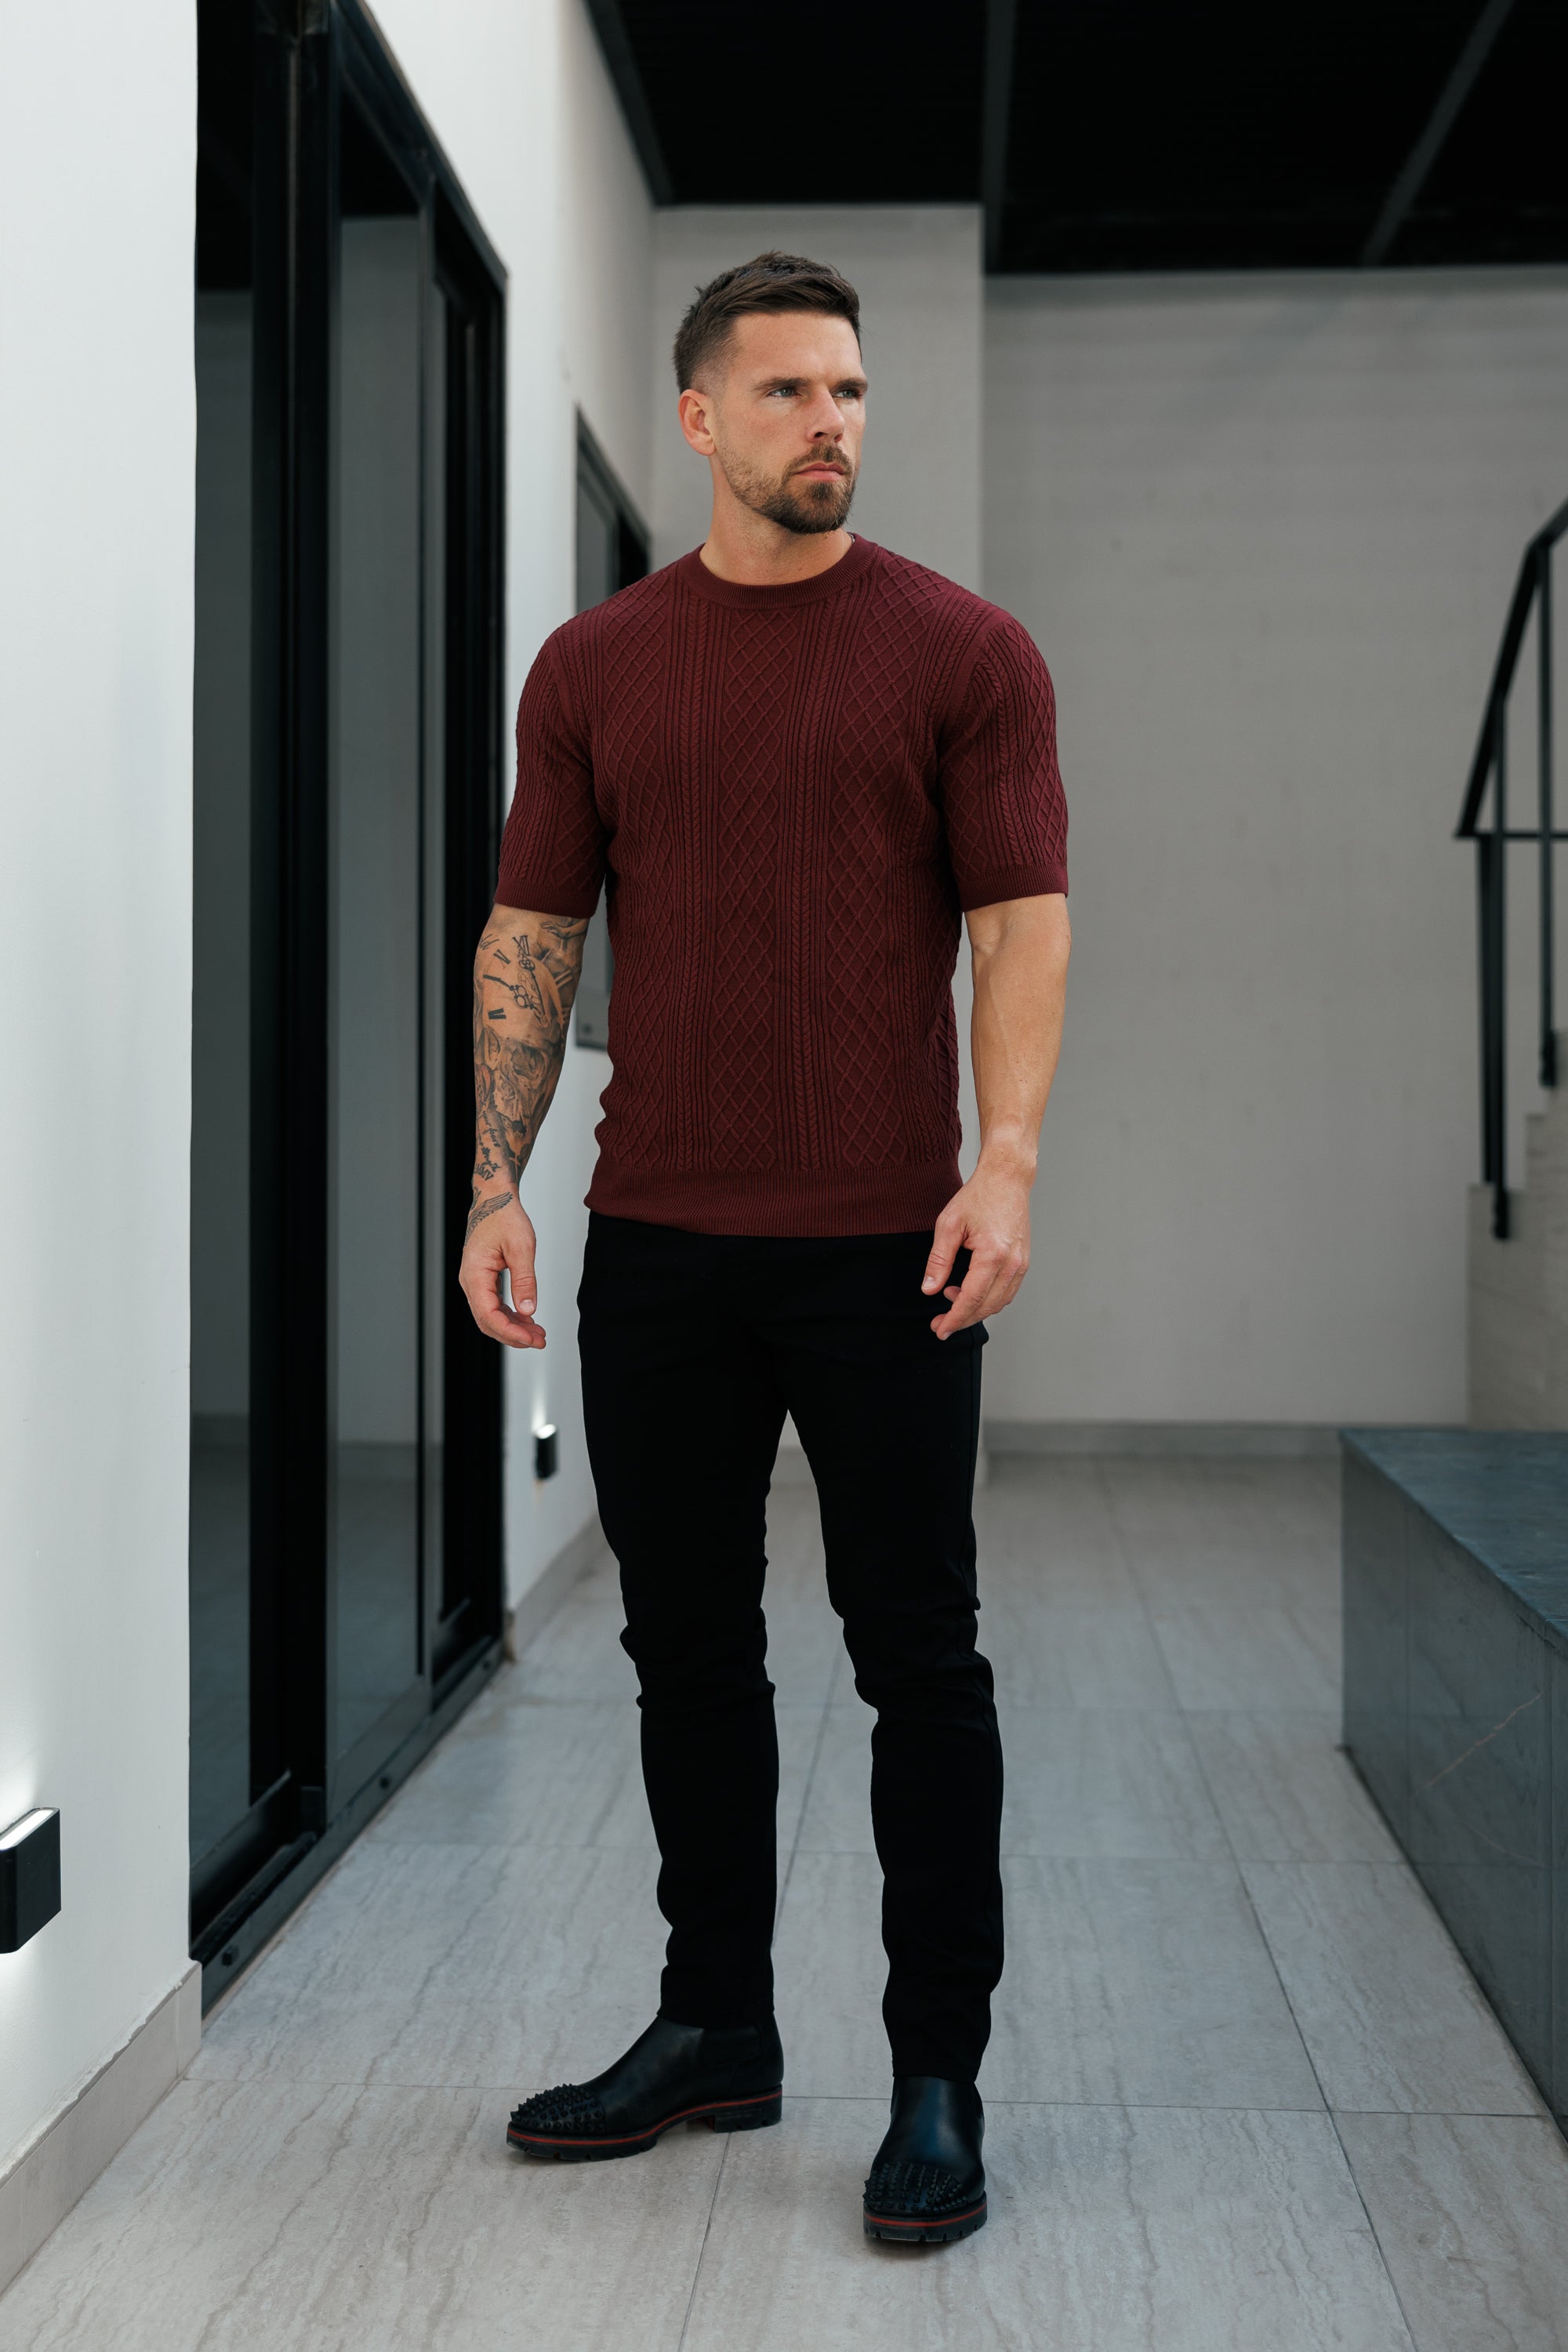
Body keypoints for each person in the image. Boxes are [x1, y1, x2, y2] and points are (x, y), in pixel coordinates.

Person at [459, 252, 1069, 2246]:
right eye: (792, 392)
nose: (835, 425)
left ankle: (936, 2081)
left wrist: (1007, 1162)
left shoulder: (964, 651)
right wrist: (494, 1184)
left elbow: (1021, 923)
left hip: (887, 1248)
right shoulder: (597, 669)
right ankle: (715, 2027)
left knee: (919, 1664)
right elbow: (533, 937)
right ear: (702, 420)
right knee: (685, 1655)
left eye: (855, 392)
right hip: (658, 1247)